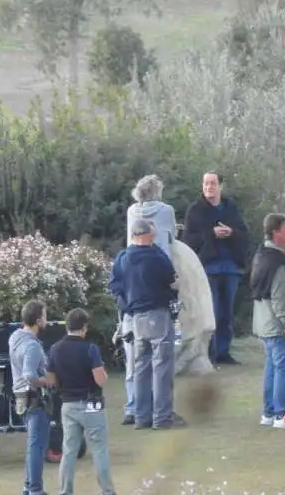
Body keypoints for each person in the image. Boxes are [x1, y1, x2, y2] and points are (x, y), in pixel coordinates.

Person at [115, 174, 177, 425]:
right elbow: (171, 279)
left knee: (139, 364)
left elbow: (115, 285)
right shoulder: (158, 254)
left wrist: (125, 304)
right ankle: (161, 416)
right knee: (161, 365)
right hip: (157, 310)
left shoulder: (122, 257)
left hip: (133, 311)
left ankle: (139, 413)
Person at [182, 171, 249, 365]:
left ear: (221, 186)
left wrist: (231, 232)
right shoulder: (195, 210)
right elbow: (189, 239)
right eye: (206, 183)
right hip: (207, 269)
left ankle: (223, 352)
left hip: (230, 269)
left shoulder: (231, 208)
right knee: (210, 312)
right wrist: (211, 233)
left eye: (212, 183)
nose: (209, 187)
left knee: (226, 313)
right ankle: (207, 353)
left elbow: (244, 233)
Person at [47, 308, 115, 495]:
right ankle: (107, 491)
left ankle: (65, 491)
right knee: (99, 449)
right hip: (91, 403)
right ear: (84, 327)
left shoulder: (55, 349)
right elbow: (100, 379)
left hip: (68, 404)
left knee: (69, 451)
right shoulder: (90, 348)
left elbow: (51, 380)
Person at [250, 213, 285, 429]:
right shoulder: (279, 263)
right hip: (276, 325)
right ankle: (281, 413)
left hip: (263, 323)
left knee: (272, 368)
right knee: (283, 369)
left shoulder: (261, 256)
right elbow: (280, 298)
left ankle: (268, 412)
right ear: (276, 231)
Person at [9, 300, 52, 495]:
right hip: (34, 398)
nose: (46, 319)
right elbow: (29, 374)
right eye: (44, 315)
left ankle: (29, 487)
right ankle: (35, 489)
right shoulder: (32, 346)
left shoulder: (15, 337)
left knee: (33, 445)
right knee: (37, 447)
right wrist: (45, 381)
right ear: (37, 319)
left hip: (21, 398)